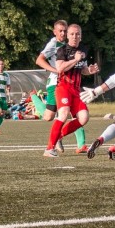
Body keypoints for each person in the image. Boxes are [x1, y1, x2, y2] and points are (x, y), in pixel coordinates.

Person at [42, 24, 99, 157]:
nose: (75, 36)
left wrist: (89, 70)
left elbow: (82, 68)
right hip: (63, 87)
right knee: (63, 113)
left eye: (78, 34)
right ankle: (49, 148)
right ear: (67, 36)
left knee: (84, 118)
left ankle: (59, 137)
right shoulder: (62, 50)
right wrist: (75, 59)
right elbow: (60, 68)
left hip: (76, 90)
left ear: (81, 36)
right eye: (72, 34)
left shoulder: (83, 49)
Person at [34, 20, 88, 154]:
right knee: (49, 116)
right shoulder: (54, 44)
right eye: (60, 31)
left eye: (65, 31)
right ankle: (34, 99)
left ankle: (80, 144)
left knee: (72, 114)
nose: (63, 33)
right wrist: (55, 70)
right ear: (54, 32)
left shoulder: (72, 43)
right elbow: (39, 60)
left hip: (71, 85)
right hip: (56, 82)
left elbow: (80, 66)